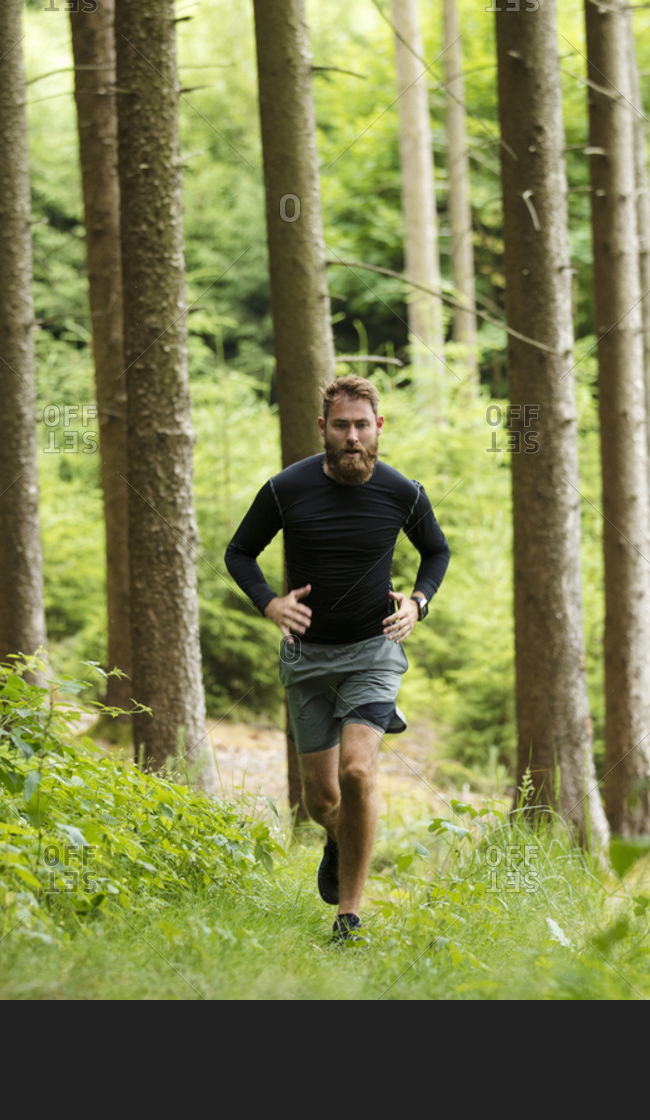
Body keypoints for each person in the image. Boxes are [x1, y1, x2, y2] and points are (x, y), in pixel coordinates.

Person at [225, 375, 450, 944]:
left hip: (373, 652)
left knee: (357, 770)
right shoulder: (286, 488)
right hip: (306, 658)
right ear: (324, 428)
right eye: (342, 426)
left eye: (363, 425)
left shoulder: (404, 492)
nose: (353, 437)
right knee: (323, 799)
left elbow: (436, 551)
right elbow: (240, 551)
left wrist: (418, 603)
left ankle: (349, 915)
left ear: (380, 427)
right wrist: (270, 604)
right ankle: (339, 837)